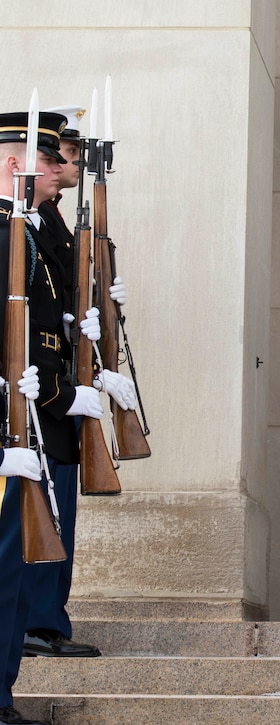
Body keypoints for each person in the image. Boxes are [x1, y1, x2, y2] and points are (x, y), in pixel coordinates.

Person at [19, 105, 131, 661]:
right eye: (60, 153)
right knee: (42, 509)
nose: (67, 162)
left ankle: (46, 618)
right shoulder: (24, 223)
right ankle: (36, 621)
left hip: (60, 381)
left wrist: (99, 312)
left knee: (58, 505)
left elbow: (63, 295)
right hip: (41, 392)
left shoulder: (54, 218)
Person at [0, 108, 74, 725]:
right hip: (8, 425)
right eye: (48, 160)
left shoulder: (24, 229)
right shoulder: (6, 230)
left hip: (24, 418)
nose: (59, 170)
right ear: (15, 164)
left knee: (11, 567)